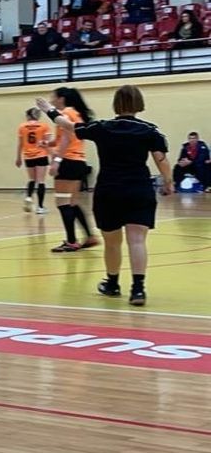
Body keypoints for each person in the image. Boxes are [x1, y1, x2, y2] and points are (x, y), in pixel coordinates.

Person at [37, 85, 172, 306]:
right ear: (139, 104)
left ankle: (112, 283)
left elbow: (68, 126)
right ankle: (138, 290)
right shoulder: (151, 131)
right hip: (138, 189)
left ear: (115, 104)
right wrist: (168, 182)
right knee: (137, 241)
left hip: (109, 190)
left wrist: (49, 109)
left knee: (112, 243)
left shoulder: (102, 128)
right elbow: (161, 160)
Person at [45, 87, 98, 252]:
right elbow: (67, 137)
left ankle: (71, 241)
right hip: (78, 161)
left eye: (54, 97)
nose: (52, 99)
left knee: (62, 203)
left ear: (61, 98)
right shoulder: (76, 113)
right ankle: (90, 236)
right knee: (73, 203)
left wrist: (57, 161)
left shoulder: (66, 112)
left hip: (67, 161)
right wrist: (49, 144)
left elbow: (67, 138)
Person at [15, 108, 52, 214]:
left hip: (28, 156)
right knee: (41, 181)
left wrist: (18, 158)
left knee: (32, 179)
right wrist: (52, 155)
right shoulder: (44, 126)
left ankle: (29, 197)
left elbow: (20, 144)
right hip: (41, 155)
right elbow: (48, 142)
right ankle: (40, 207)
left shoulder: (22, 127)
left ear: (28, 115)